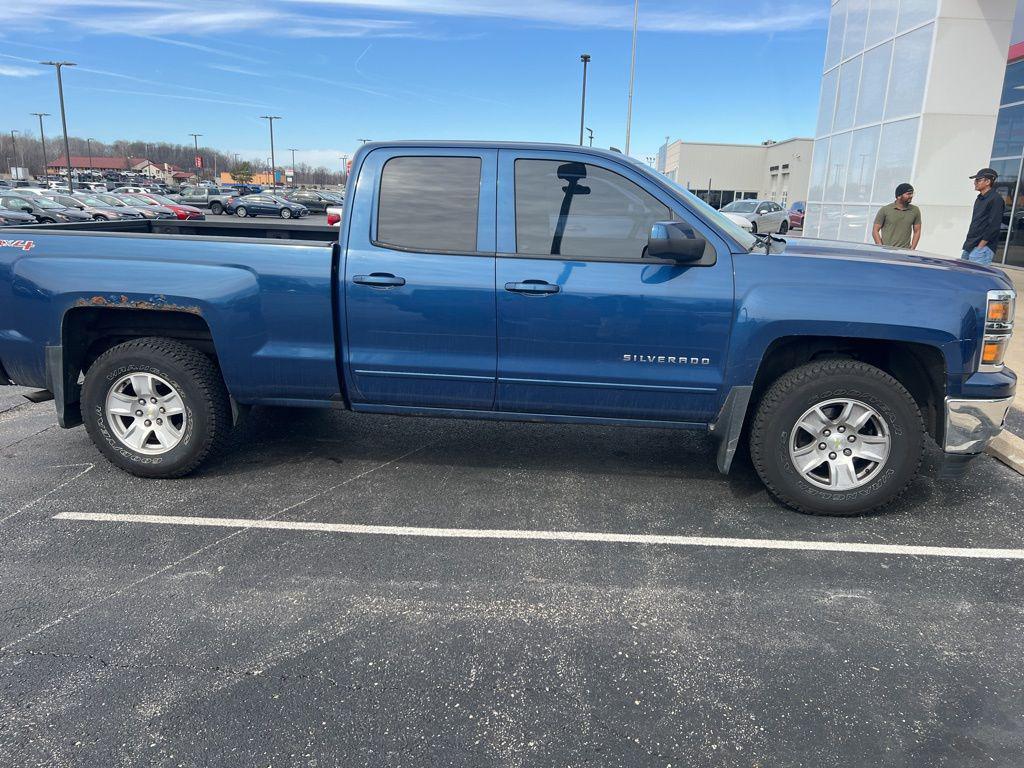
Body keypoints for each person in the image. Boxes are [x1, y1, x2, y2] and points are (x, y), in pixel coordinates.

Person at [961, 168, 1005, 265]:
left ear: (988, 181)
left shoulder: (996, 199)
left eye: (978, 180)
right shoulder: (979, 199)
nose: (975, 183)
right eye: (975, 180)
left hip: (982, 249)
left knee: (975, 279)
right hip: (970, 246)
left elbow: (994, 226)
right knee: (963, 277)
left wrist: (980, 246)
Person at [872, 183, 921, 249]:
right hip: (887, 250)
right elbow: (875, 230)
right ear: (899, 196)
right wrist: (881, 247)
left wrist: (912, 249)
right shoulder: (885, 210)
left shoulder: (915, 210)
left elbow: (917, 231)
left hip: (905, 252)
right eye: (908, 194)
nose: (911, 196)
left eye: (912, 193)